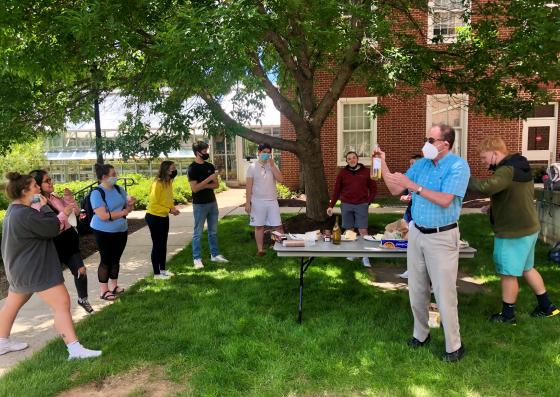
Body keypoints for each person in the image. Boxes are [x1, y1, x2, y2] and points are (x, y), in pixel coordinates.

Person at [376, 123, 470, 362]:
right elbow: (396, 187)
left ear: (444, 144)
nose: (426, 143)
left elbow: (446, 200)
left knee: (444, 292)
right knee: (416, 288)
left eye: (430, 139)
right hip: (417, 232)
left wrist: (415, 187)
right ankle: (421, 334)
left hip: (442, 235)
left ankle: (454, 346)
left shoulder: (458, 166)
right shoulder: (422, 164)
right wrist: (382, 162)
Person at [0, 172, 101, 359]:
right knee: (62, 303)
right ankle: (74, 348)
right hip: (35, 269)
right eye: (35, 186)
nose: (39, 188)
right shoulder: (25, 214)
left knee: (12, 305)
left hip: (20, 269)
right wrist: (48, 208)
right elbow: (52, 227)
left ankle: (2, 342)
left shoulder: (16, 210)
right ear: (24, 191)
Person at [468, 137, 559, 323]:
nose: (483, 162)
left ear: (495, 153)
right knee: (527, 268)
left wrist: (462, 176)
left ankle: (508, 316)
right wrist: (493, 208)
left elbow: (485, 188)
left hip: (513, 232)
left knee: (508, 274)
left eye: (484, 158)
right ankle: (547, 306)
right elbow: (512, 195)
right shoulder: (519, 166)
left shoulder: (506, 170)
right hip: (529, 228)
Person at [29, 170, 94, 314]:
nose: (51, 182)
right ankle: (60, 310)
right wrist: (64, 213)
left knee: (81, 271)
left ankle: (83, 299)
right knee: (56, 281)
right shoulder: (36, 203)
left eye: (50, 179)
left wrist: (69, 198)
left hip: (69, 240)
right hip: (53, 244)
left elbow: (76, 213)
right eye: (47, 181)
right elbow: (49, 225)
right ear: (38, 185)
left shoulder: (55, 197)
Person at [90, 163, 135, 301]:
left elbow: (128, 209)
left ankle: (114, 286)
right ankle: (104, 290)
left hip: (121, 230)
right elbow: (103, 216)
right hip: (103, 231)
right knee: (106, 260)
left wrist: (131, 204)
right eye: (113, 174)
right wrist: (123, 212)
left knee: (116, 259)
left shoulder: (119, 189)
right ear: (104, 177)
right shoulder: (97, 193)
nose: (116, 177)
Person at [327, 151, 377, 267]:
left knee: (363, 230)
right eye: (349, 159)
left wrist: (367, 202)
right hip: (346, 204)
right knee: (349, 230)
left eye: (354, 158)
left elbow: (373, 189)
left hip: (361, 204)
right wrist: (331, 206)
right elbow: (336, 191)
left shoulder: (366, 172)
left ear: (357, 159)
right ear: (347, 161)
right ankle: (353, 252)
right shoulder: (342, 173)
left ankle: (365, 256)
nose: (352, 160)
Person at [188, 141, 229, 269]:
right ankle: (197, 258)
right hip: (199, 205)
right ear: (197, 152)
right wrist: (208, 179)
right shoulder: (192, 168)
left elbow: (216, 185)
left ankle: (215, 254)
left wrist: (203, 184)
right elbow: (194, 189)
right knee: (198, 233)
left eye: (207, 150)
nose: (207, 153)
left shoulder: (210, 166)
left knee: (213, 232)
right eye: (205, 151)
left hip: (212, 202)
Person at [245, 143, 285, 256]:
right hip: (258, 202)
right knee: (259, 226)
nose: (266, 155)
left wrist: (272, 166)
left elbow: (281, 179)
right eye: (264, 152)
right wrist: (248, 203)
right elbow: (248, 187)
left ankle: (282, 247)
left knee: (278, 226)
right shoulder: (252, 167)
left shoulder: (273, 165)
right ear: (259, 152)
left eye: (268, 153)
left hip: (272, 201)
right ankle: (260, 250)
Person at [145, 161, 181, 279]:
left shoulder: (169, 182)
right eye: (172, 169)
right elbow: (154, 204)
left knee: (163, 244)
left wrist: (172, 208)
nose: (174, 171)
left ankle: (163, 270)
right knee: (157, 245)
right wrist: (169, 210)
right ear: (165, 170)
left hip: (163, 216)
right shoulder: (158, 183)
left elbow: (167, 199)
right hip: (154, 217)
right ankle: (156, 274)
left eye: (174, 168)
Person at [399, 154, 422, 279]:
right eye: (410, 163)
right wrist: (405, 198)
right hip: (410, 211)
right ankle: (411, 269)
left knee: (417, 242)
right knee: (407, 238)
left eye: (414, 163)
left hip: (421, 213)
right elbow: (402, 195)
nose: (411, 166)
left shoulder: (425, 178)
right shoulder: (409, 178)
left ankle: (418, 271)